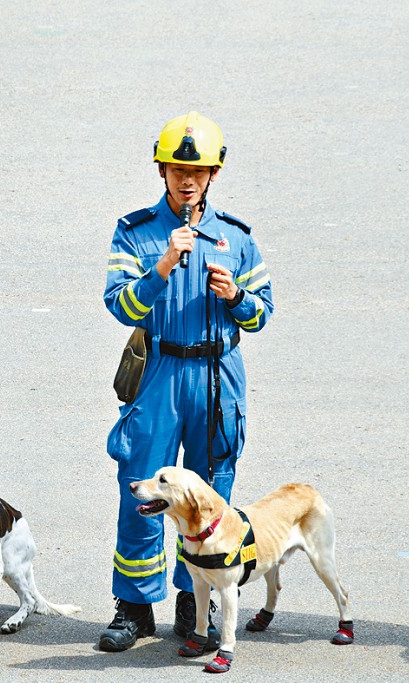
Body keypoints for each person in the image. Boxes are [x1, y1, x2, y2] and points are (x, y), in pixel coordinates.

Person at [99, 111, 274, 655]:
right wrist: (162, 267)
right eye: (177, 167)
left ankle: (190, 597)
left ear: (215, 174)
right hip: (159, 374)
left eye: (198, 169)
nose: (187, 178)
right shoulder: (135, 233)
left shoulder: (236, 238)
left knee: (209, 495)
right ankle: (133, 607)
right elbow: (118, 304)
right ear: (161, 169)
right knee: (142, 490)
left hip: (219, 375)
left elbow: (262, 314)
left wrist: (235, 299)